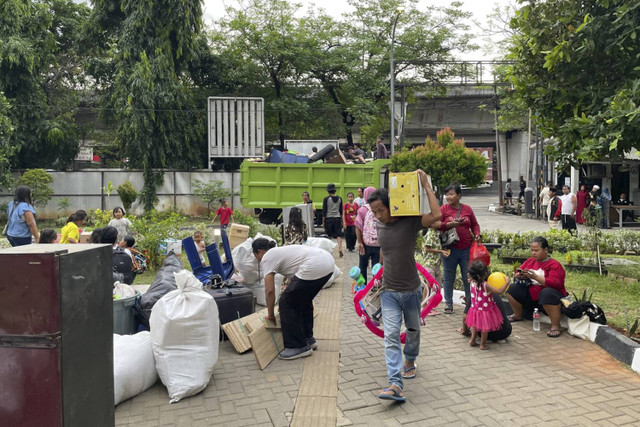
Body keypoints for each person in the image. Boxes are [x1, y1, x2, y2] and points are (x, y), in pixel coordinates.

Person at [367, 170, 441, 403]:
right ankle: (395, 384)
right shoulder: (380, 227)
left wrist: (426, 186)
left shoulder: (410, 222)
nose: (378, 216)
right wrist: (378, 269)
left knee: (413, 330)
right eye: (374, 212)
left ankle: (410, 358)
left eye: (381, 210)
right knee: (390, 335)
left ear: (392, 206)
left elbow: (437, 215)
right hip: (388, 291)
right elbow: (384, 249)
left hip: (411, 291)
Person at [252, 238, 335, 360]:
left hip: (315, 265)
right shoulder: (280, 252)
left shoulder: (267, 257)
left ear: (259, 252)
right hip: (328, 263)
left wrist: (270, 314)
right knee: (303, 300)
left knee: (286, 302)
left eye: (256, 256)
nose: (258, 260)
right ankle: (308, 339)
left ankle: (297, 346)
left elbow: (269, 291)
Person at [506, 236, 568, 338]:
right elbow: (518, 271)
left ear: (546, 250)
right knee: (512, 288)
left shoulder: (554, 265)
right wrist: (519, 275)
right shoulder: (530, 261)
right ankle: (518, 315)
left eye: (536, 250)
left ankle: (556, 325)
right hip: (532, 297)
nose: (533, 253)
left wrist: (535, 277)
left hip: (550, 298)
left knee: (547, 293)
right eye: (532, 250)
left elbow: (556, 283)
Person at [438, 183, 481, 317]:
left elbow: (475, 224)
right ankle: (449, 303)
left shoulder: (467, 209)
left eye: (451, 194)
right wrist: (450, 224)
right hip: (449, 249)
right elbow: (437, 226)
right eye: (447, 194)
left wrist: (477, 234)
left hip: (466, 248)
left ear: (459, 195)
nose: (448, 197)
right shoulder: (443, 209)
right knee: (448, 276)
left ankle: (469, 303)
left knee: (467, 276)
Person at [465, 261, 510, 350]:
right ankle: (483, 344)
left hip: (474, 309)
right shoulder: (485, 285)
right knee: (484, 328)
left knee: (475, 326)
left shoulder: (471, 282)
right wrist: (507, 282)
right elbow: (500, 291)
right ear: (485, 273)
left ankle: (472, 340)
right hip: (486, 311)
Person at [355, 187, 380, 283]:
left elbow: (357, 226)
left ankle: (362, 286)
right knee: (376, 267)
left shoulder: (363, 210)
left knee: (363, 265)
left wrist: (360, 242)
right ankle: (376, 285)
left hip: (365, 243)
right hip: (378, 243)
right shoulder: (379, 208)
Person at [322, 183, 344, 257]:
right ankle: (340, 248)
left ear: (328, 191)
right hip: (337, 218)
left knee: (329, 236)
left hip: (329, 218)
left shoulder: (326, 199)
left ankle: (330, 251)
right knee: (339, 235)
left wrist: (323, 222)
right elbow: (341, 211)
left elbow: (324, 211)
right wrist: (342, 221)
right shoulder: (340, 199)